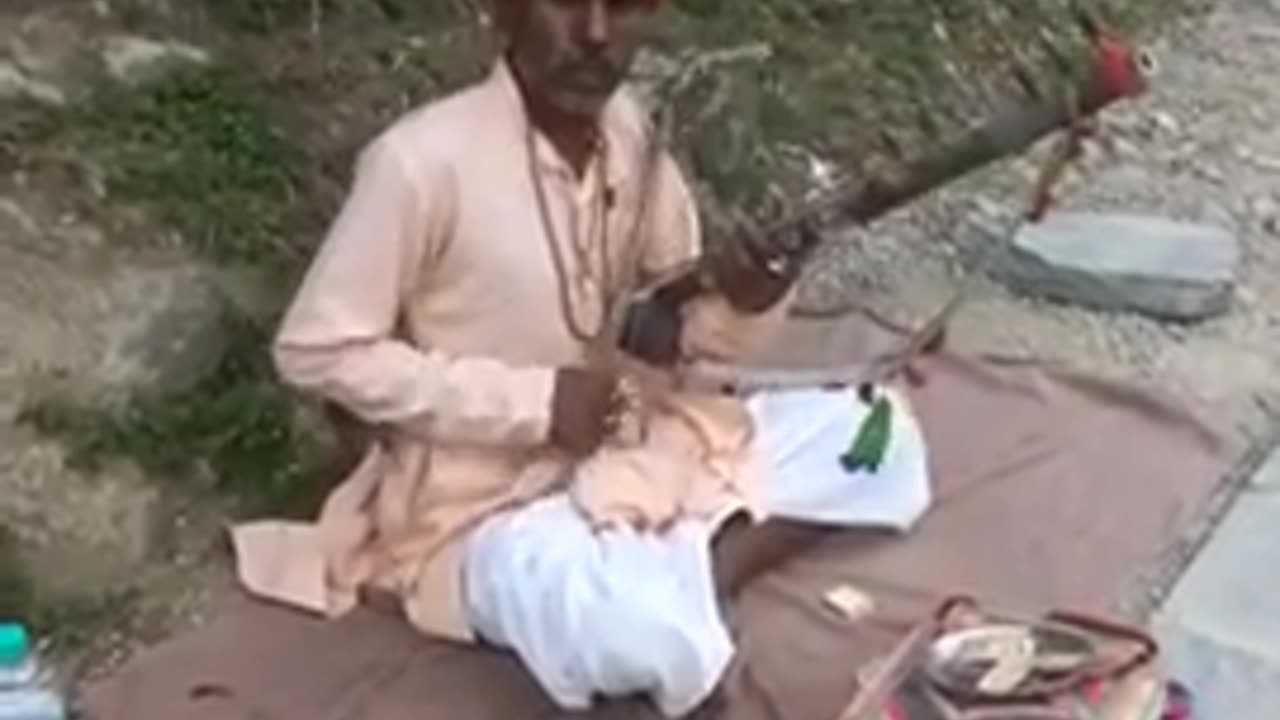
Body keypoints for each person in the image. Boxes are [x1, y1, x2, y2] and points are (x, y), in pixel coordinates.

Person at [230, 0, 934, 716]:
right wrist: (535, 403)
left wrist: (751, 300)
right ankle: (673, 573)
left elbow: (680, 327)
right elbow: (316, 350)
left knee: (878, 435)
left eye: (623, 6)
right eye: (567, 3)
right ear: (500, 13)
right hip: (481, 506)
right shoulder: (420, 162)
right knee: (647, 634)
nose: (596, 34)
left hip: (631, 442)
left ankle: (694, 572)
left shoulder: (630, 133)